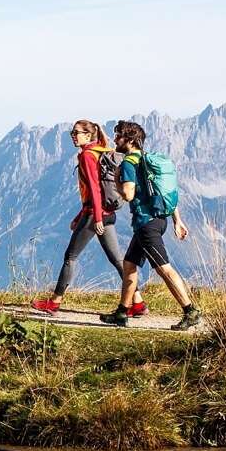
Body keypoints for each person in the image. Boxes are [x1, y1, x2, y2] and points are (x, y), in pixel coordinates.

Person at [33, 120, 146, 317]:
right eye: (72, 133)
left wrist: (96, 218)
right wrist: (81, 216)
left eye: (77, 133)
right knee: (117, 260)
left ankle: (54, 303)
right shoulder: (101, 150)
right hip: (107, 212)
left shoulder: (86, 155)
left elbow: (94, 188)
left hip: (96, 215)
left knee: (70, 257)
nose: (73, 136)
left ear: (88, 135)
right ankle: (137, 303)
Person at [99, 121, 202, 331]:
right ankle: (121, 312)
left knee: (164, 268)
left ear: (129, 140)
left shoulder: (128, 163)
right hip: (157, 220)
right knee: (129, 264)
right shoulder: (146, 160)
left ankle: (190, 311)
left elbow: (127, 194)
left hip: (146, 225)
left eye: (118, 136)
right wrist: (177, 220)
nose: (115, 140)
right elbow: (163, 192)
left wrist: (117, 179)